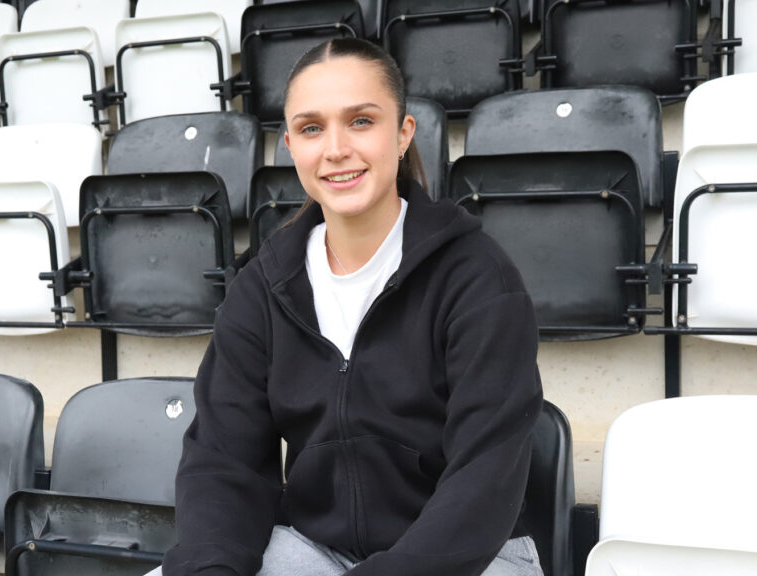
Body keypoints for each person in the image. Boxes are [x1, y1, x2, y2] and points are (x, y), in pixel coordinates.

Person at [153, 37, 543, 576]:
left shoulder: (477, 277)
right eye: (312, 128)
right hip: (312, 551)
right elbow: (223, 462)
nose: (335, 149)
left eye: (361, 121)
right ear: (290, 145)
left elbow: (485, 479)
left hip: (472, 558)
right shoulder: (263, 287)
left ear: (403, 134)